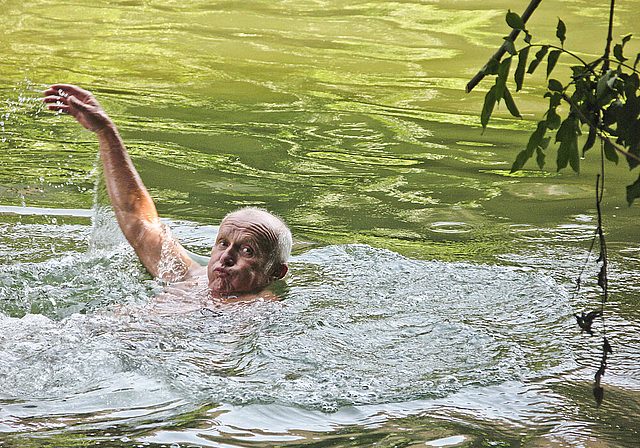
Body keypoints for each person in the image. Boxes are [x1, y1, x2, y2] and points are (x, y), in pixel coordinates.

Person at [43, 84, 292, 304]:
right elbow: (138, 220)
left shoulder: (259, 305)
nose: (226, 257)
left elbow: (222, 355)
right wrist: (106, 132)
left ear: (276, 273)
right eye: (223, 243)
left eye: (247, 251)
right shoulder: (186, 275)